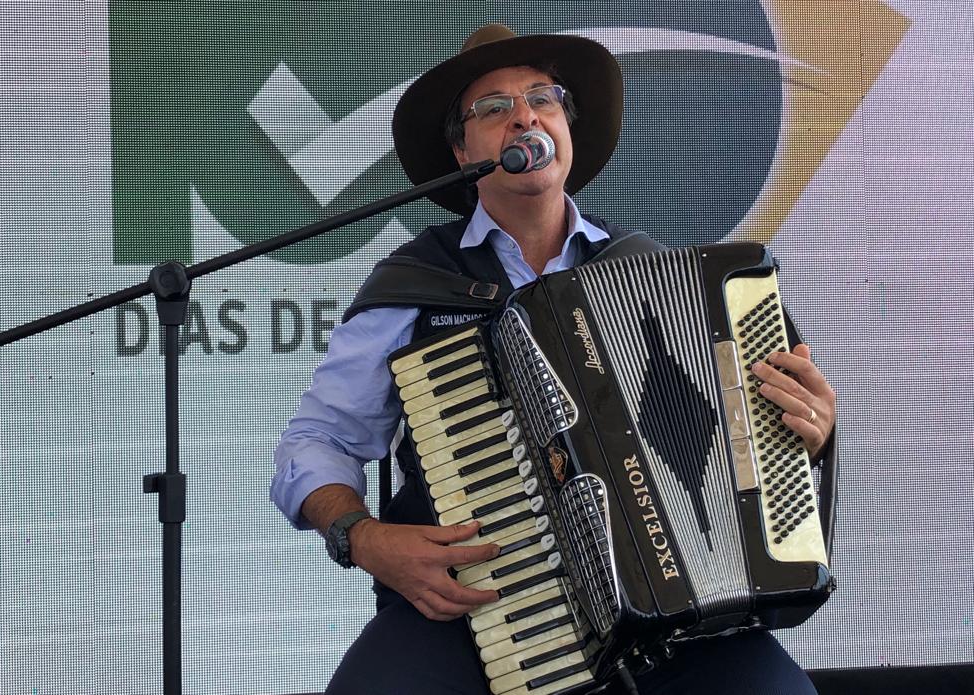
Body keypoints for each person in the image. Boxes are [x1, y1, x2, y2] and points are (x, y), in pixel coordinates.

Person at [271, 23, 837, 695]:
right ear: (462, 149)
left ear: (565, 124)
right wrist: (361, 537)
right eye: (493, 107)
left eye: (543, 97)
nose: (524, 115)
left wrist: (808, 424)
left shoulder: (651, 271)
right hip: (472, 607)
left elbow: (748, 437)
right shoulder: (417, 280)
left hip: (672, 616)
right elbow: (318, 438)